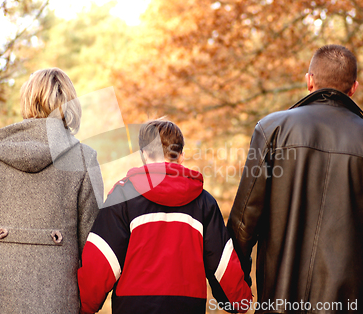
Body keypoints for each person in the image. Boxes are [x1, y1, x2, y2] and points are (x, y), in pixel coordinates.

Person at [227, 45, 363, 314]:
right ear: (354, 88)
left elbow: (244, 223)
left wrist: (236, 290)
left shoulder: (271, 131)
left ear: (310, 80)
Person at [0, 68, 103, 314]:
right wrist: (88, 305)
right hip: (60, 301)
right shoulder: (85, 159)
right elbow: (92, 248)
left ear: (28, 99)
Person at [77, 119, 252, 314]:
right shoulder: (204, 202)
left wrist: (82, 307)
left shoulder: (123, 196)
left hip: (134, 306)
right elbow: (223, 265)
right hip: (188, 306)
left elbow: (102, 262)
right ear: (182, 156)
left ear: (143, 154)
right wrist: (240, 300)